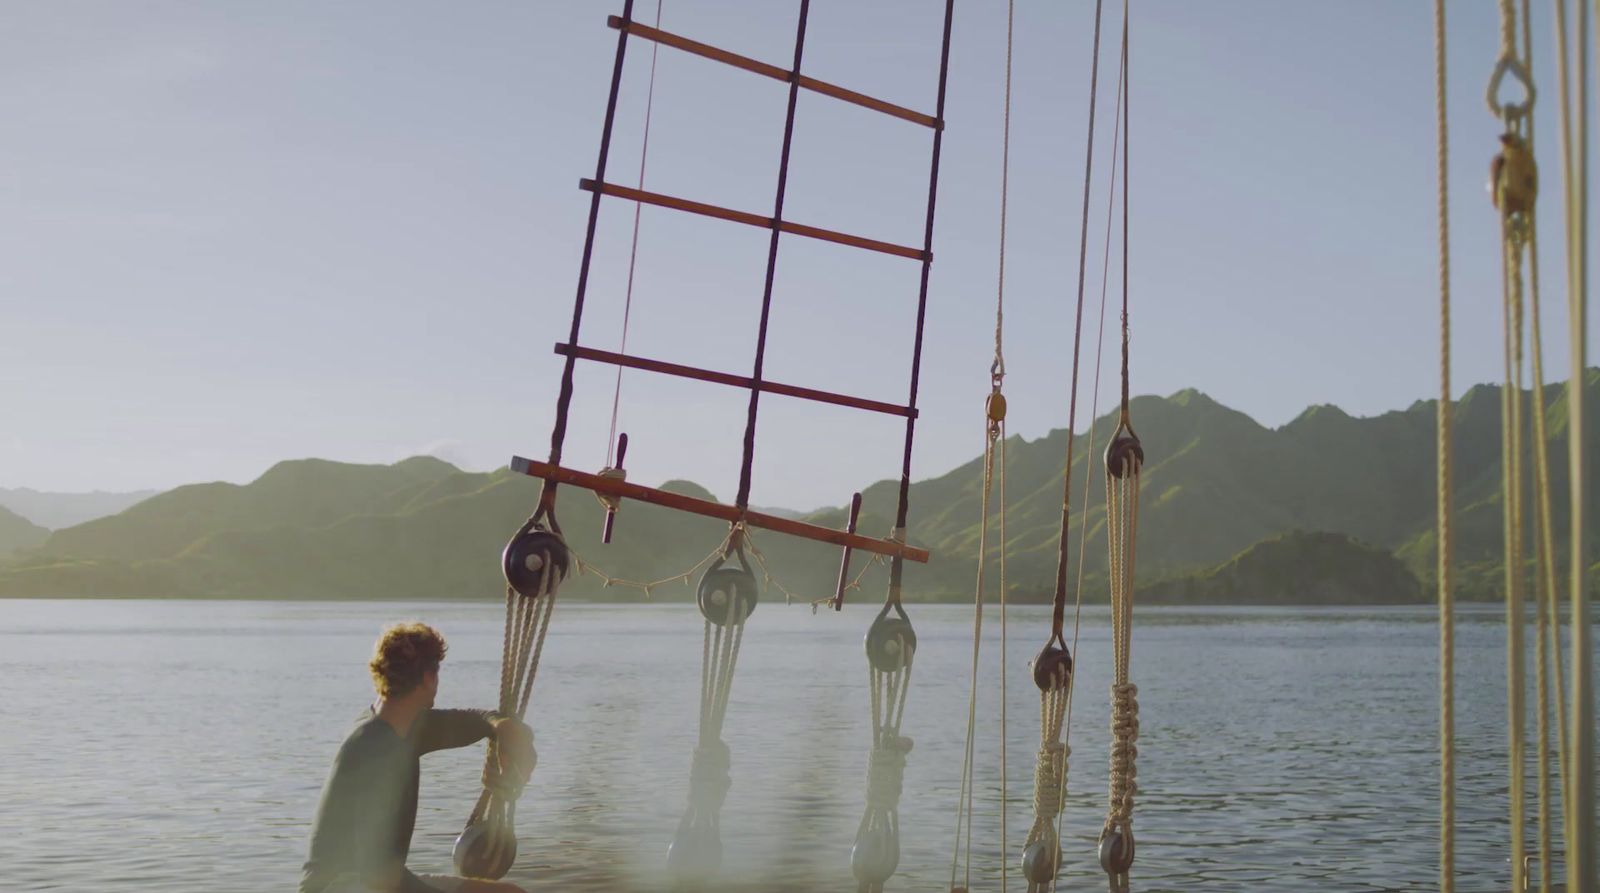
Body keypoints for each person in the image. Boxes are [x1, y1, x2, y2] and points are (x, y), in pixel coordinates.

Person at [299, 622, 535, 893]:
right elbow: (378, 876)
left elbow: (474, 721)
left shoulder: (398, 725)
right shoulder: (373, 749)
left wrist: (504, 729)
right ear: (427, 678)